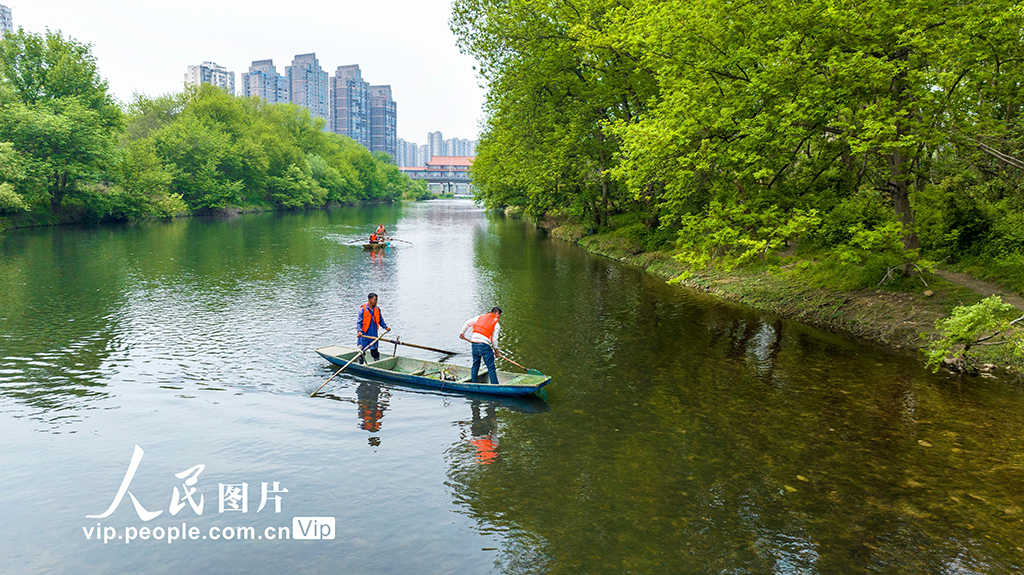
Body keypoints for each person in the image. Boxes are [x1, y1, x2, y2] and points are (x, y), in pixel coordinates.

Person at [459, 307, 503, 385]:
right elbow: (494, 340)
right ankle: (495, 385)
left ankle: (473, 383)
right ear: (497, 313)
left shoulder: (479, 317)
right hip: (484, 346)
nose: (499, 317)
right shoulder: (496, 324)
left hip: (474, 344)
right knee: (491, 368)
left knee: (475, 365)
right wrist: (496, 351)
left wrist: (462, 333)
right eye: (500, 315)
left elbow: (467, 323)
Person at [357, 293, 389, 362]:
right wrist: (359, 331)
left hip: (373, 333)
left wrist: (385, 327)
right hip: (365, 334)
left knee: (375, 351)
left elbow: (380, 320)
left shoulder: (377, 309)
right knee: (362, 351)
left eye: (377, 300)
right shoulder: (362, 310)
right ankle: (360, 362)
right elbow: (359, 322)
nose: (376, 302)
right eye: (375, 300)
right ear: (370, 300)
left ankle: (376, 362)